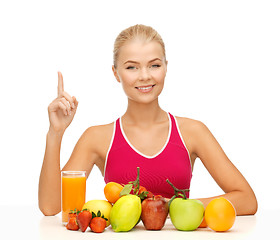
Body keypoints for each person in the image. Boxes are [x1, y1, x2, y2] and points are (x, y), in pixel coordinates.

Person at [38, 24, 258, 216]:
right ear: (116, 73)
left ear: (166, 67)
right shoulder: (97, 137)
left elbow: (246, 199)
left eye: (154, 65)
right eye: (131, 67)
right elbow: (51, 207)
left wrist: (174, 207)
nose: (144, 76)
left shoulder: (193, 132)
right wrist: (55, 133)